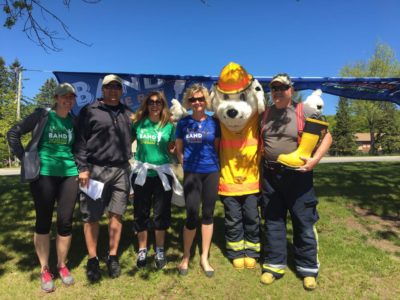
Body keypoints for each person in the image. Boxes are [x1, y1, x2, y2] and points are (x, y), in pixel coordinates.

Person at [260, 73, 332, 290]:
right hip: (271, 175)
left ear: (291, 90)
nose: (278, 92)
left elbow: (327, 136)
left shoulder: (303, 111)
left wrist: (314, 161)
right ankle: (274, 265)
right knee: (273, 220)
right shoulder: (264, 115)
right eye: (274, 89)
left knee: (304, 221)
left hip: (299, 175)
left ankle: (308, 269)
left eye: (282, 88)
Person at [7, 83, 79, 293]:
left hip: (70, 174)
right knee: (43, 221)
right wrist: (25, 158)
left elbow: (78, 146)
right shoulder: (42, 115)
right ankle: (45, 269)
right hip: (44, 175)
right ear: (56, 98)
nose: (68, 100)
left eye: (71, 97)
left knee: (65, 222)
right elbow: (14, 132)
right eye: (64, 97)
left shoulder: (74, 121)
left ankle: (62, 265)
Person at [74, 74, 132, 281]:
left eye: (117, 87)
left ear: (121, 91)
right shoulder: (90, 111)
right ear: (103, 90)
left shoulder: (128, 113)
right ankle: (92, 259)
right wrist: (83, 168)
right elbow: (80, 142)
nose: (113, 90)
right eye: (109, 87)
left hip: (121, 171)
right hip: (95, 169)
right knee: (92, 216)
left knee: (116, 214)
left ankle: (113, 256)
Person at [175, 84, 220, 277]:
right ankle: (186, 256)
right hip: (192, 173)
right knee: (192, 214)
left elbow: (216, 147)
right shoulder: (183, 123)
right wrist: (183, 161)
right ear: (188, 102)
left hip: (211, 172)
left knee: (208, 214)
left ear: (206, 101)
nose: (197, 102)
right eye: (193, 99)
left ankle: (204, 257)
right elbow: (179, 148)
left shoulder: (214, 122)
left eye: (201, 99)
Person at [130, 91, 177, 270]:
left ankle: (159, 250)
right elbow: (126, 140)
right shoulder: (138, 124)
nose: (154, 105)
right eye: (151, 102)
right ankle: (142, 249)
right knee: (141, 212)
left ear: (163, 105)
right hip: (142, 173)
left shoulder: (169, 126)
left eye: (158, 102)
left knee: (161, 213)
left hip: (162, 175)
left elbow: (172, 147)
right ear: (146, 104)